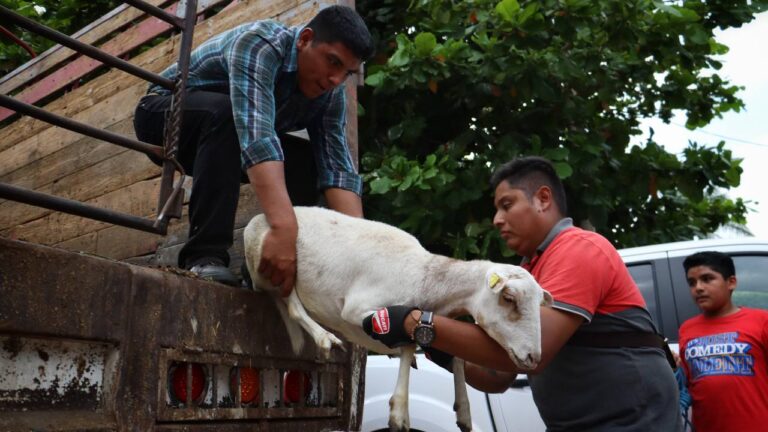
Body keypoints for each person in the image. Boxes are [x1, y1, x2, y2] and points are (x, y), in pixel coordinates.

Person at [363, 156, 681, 431]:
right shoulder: (530, 272)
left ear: (543, 199)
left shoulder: (578, 249)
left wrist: (416, 323)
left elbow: (532, 350)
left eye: (507, 205)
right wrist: (440, 348)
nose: (497, 220)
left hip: (631, 422)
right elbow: (497, 375)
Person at [133, 6, 373, 288]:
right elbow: (257, 138)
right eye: (332, 62)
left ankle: (261, 274)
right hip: (163, 115)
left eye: (347, 73)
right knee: (227, 115)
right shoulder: (260, 43)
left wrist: (364, 251)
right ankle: (204, 258)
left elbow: (338, 173)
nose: (336, 80)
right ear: (305, 39)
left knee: (308, 163)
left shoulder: (330, 96)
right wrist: (284, 228)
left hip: (224, 142)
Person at [678, 251, 768, 432]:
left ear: (731, 282)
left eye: (707, 279)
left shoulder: (761, 321)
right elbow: (687, 386)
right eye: (692, 282)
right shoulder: (687, 329)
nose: (698, 288)